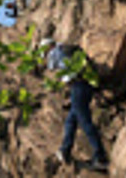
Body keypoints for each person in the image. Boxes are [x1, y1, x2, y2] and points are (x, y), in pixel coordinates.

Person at [39, 38, 108, 170]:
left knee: (85, 121)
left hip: (78, 86)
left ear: (48, 47)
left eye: (45, 52)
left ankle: (100, 157)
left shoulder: (56, 52)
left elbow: (52, 66)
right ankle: (65, 150)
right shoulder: (66, 49)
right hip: (86, 85)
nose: (46, 56)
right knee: (71, 120)